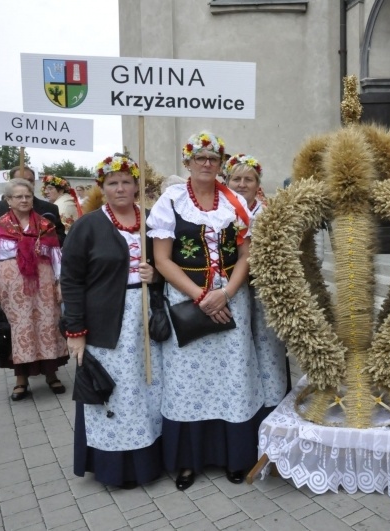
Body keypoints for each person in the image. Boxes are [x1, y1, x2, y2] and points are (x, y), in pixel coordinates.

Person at [147, 131, 263, 490]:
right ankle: (187, 462)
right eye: (200, 158)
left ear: (220, 164)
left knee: (232, 377)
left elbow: (246, 255)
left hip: (231, 300)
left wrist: (225, 293)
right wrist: (202, 297)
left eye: (213, 158)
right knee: (188, 381)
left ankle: (235, 456)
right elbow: (162, 260)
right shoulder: (172, 200)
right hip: (187, 301)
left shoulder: (235, 203)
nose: (207, 164)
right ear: (188, 163)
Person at [62, 154, 164, 489]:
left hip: (146, 318)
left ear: (136, 185)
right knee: (116, 392)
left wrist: (155, 274)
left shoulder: (152, 221)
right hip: (107, 323)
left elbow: (169, 263)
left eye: (126, 182)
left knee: (148, 388)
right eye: (112, 183)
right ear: (102, 188)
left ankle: (152, 458)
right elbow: (72, 281)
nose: (120, 188)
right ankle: (117, 467)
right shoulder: (87, 226)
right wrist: (75, 331)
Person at [0, 178, 67, 400]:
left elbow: (57, 258)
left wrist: (60, 285)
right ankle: (21, 380)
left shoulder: (45, 226)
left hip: (44, 284)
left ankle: (51, 374)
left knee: (46, 325)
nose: (24, 200)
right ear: (8, 200)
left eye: (27, 196)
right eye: (18, 196)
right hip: (11, 288)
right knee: (19, 329)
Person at [224, 154, 290, 414]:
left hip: (264, 291)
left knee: (268, 345)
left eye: (248, 179)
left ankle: (272, 403)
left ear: (257, 184)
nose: (242, 184)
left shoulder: (270, 213)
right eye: (236, 179)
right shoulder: (220, 212)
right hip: (232, 288)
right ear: (227, 181)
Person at [0, 167, 66, 246]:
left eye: (30, 180)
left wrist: (39, 243)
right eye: (21, 181)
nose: (26, 183)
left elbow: (60, 238)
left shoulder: (50, 208)